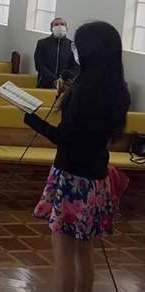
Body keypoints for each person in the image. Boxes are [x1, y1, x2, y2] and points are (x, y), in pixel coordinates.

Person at [23, 21, 130, 292]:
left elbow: (64, 138)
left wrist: (32, 120)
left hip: (72, 178)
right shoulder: (118, 88)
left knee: (63, 257)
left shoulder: (84, 91)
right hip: (96, 177)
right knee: (84, 253)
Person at [34, 17, 79, 89]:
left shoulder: (72, 45)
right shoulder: (42, 43)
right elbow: (40, 65)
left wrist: (64, 78)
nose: (59, 26)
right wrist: (54, 80)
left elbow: (75, 66)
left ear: (66, 28)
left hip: (65, 85)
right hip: (45, 83)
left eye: (62, 24)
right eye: (56, 24)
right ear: (51, 29)